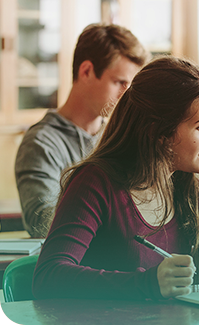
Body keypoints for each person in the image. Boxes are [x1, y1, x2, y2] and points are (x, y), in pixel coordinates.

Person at [33, 56, 199, 300]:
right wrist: (148, 283)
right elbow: (48, 277)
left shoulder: (184, 186)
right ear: (157, 131)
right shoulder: (95, 182)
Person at [15, 23, 149, 238]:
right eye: (119, 82)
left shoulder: (120, 138)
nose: (127, 95)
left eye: (130, 86)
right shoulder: (40, 143)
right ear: (86, 71)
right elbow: (41, 222)